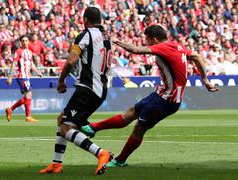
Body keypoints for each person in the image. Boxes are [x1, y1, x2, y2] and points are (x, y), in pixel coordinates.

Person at [81, 24, 219, 167]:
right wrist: (205, 80)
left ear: (154, 40)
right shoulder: (177, 46)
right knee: (130, 113)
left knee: (139, 129)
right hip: (159, 94)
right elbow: (196, 56)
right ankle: (93, 128)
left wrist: (115, 40)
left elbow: (135, 50)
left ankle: (120, 160)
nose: (145, 43)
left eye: (146, 39)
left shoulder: (163, 47)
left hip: (167, 100)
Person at [39, 7, 113, 175]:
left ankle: (101, 153)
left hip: (88, 88)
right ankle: (56, 164)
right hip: (101, 89)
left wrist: (61, 80)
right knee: (62, 120)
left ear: (85, 20)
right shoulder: (108, 37)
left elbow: (71, 61)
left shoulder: (85, 35)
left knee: (66, 128)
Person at [5, 35, 43, 123]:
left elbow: (31, 64)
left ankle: (10, 109)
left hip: (27, 76)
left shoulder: (29, 52)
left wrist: (38, 72)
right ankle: (28, 117)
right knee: (28, 95)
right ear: (20, 42)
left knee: (27, 97)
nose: (25, 42)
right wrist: (10, 77)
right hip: (21, 76)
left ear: (28, 42)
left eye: (26, 41)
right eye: (23, 41)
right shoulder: (18, 51)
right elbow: (14, 64)